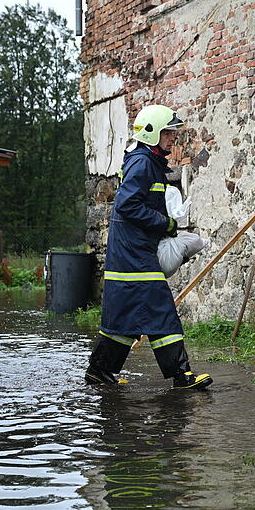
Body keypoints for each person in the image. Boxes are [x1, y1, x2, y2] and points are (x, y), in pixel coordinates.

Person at [84, 104, 212, 390]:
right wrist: (165, 224)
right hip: (134, 256)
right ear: (153, 133)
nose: (172, 138)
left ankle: (99, 371)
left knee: (124, 317)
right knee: (161, 311)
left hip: (131, 253)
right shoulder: (143, 163)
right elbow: (128, 206)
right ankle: (182, 377)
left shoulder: (145, 161)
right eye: (168, 132)